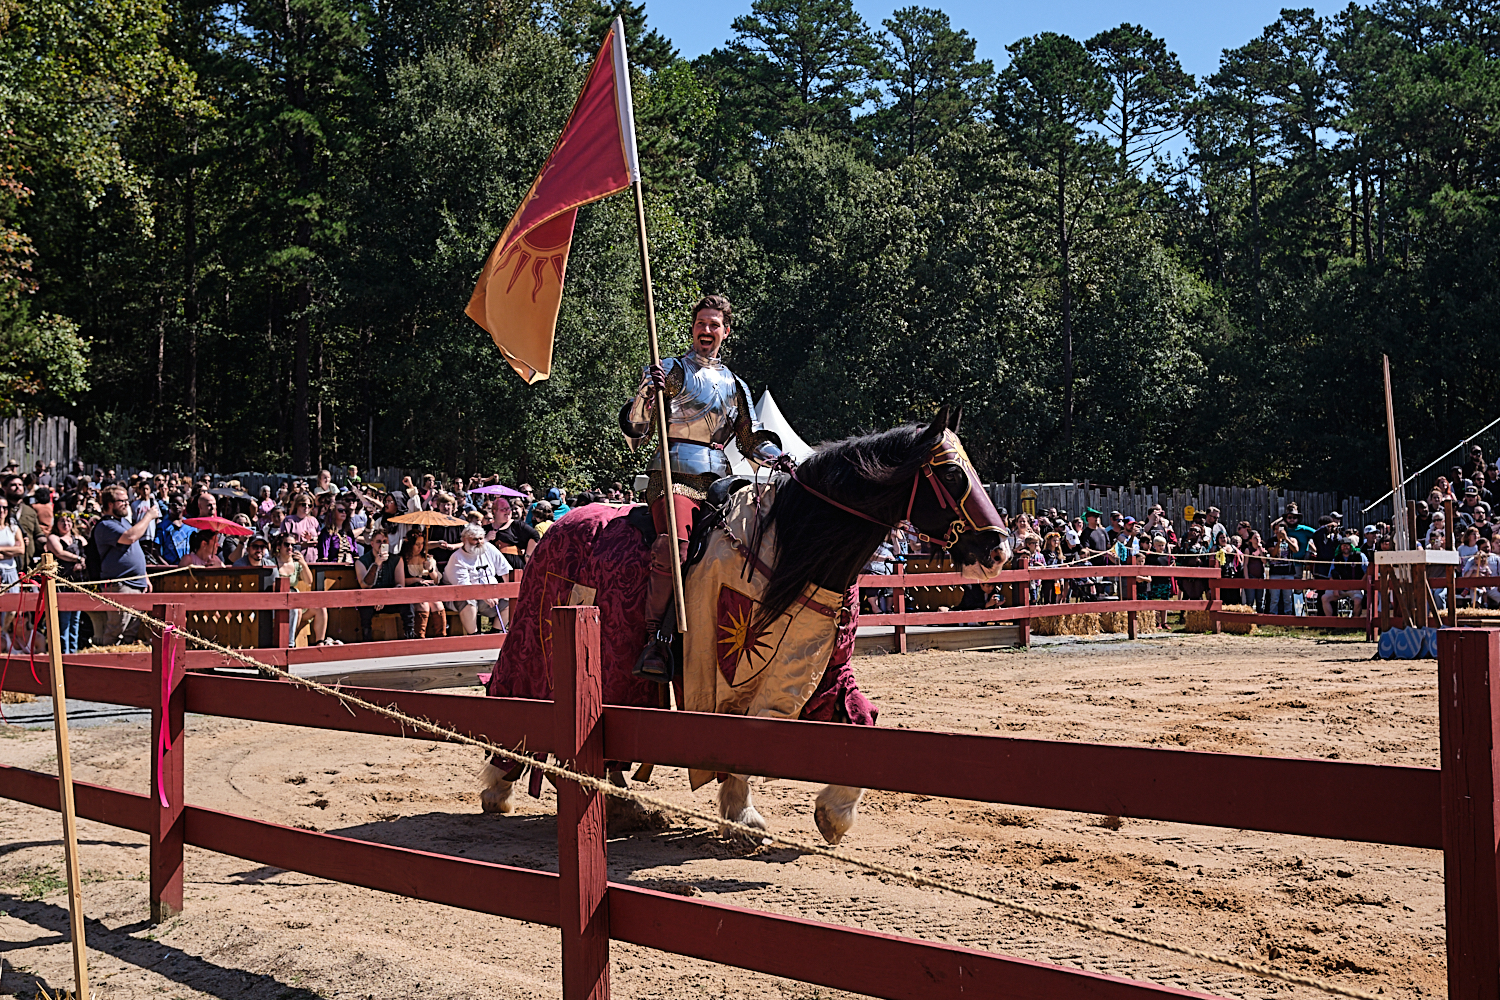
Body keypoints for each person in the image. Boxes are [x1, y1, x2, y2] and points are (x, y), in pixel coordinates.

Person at [618, 294, 788, 679]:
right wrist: (646, 393)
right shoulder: (671, 370)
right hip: (673, 476)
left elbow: (750, 441)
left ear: (726, 332)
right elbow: (636, 431)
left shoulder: (735, 385)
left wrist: (779, 458)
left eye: (714, 325)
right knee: (675, 548)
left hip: (721, 483)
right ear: (693, 329)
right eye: (700, 324)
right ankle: (655, 642)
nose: (706, 330)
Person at [93, 485, 160, 644]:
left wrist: (144, 577)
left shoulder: (124, 522)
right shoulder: (105, 525)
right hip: (120, 583)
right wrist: (148, 517)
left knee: (131, 629)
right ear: (110, 504)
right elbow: (130, 537)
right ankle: (109, 657)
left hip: (136, 583)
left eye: (126, 500)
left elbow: (136, 549)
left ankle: (125, 657)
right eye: (121, 501)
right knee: (117, 628)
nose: (126, 504)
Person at [442, 524, 511, 634]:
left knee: (511, 601)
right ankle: (474, 636)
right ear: (465, 539)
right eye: (475, 539)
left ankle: (496, 631)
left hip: (490, 596)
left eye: (481, 538)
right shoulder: (457, 558)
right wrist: (484, 595)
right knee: (467, 600)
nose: (479, 542)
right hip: (462, 597)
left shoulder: (489, 548)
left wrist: (508, 592)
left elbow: (506, 571)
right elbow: (464, 587)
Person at [270, 534, 333, 646]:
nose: (290, 547)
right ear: (279, 546)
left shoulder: (296, 563)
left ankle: (320, 643)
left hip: (295, 601)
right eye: (287, 544)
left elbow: (309, 581)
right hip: (277, 603)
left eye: (293, 545)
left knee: (320, 608)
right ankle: (289, 643)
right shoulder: (272, 563)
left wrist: (303, 563)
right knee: (296, 610)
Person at [46, 512, 87, 653]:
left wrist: (83, 562)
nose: (66, 524)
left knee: (75, 620)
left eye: (69, 521)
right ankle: (64, 652)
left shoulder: (78, 539)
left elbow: (88, 551)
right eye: (62, 521)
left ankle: (73, 652)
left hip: (77, 582)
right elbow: (60, 553)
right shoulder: (53, 538)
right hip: (62, 583)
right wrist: (78, 559)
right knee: (64, 621)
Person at [395, 530, 446, 638]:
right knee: (423, 604)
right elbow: (401, 581)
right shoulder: (402, 559)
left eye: (422, 543)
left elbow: (436, 580)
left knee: (438, 604)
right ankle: (419, 637)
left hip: (428, 589)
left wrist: (430, 569)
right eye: (417, 544)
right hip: (412, 590)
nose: (420, 547)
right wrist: (417, 580)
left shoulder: (428, 558)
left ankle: (441, 637)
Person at [490, 497, 540, 569]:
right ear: (495, 511)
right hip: (493, 568)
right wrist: (486, 539)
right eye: (503, 509)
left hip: (514, 568)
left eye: (508, 508)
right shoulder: (486, 528)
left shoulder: (517, 525)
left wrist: (527, 556)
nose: (507, 511)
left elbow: (535, 535)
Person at [1265, 524, 1300, 616]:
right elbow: (1273, 554)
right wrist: (1279, 542)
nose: (1278, 531)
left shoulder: (1292, 539)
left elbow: (1296, 550)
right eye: (1276, 529)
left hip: (1288, 573)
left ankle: (1288, 615)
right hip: (1275, 573)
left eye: (1280, 529)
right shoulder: (1271, 541)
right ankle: (1273, 615)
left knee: (1288, 597)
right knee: (1274, 598)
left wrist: (1286, 539)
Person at [281, 494, 320, 562]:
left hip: (313, 559)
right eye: (303, 504)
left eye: (309, 505)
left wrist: (312, 538)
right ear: (297, 505)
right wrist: (301, 544)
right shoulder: (288, 520)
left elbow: (320, 537)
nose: (307, 507)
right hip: (294, 559)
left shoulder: (313, 520)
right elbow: (283, 539)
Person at [155, 497, 194, 565]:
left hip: (188, 566)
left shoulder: (190, 525)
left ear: (184, 506)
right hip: (170, 566)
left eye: (180, 504)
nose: (177, 507)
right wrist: (165, 564)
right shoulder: (162, 526)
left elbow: (196, 548)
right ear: (169, 506)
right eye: (174, 504)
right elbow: (156, 549)